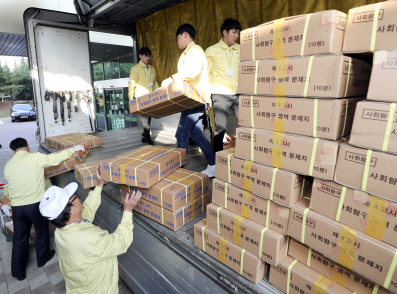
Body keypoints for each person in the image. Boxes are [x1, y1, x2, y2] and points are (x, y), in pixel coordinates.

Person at [39, 166, 142, 293]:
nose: (78, 197)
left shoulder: (62, 230)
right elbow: (121, 241)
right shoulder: (88, 240)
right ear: (71, 210)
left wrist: (99, 185)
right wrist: (128, 210)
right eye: (75, 196)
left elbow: (87, 210)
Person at [3, 137, 86, 280]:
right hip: (34, 205)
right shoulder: (35, 158)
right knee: (41, 231)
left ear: (13, 151)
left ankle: (18, 272)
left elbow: (8, 188)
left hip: (17, 208)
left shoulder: (8, 166)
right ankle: (42, 259)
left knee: (19, 239)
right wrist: (75, 148)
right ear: (28, 147)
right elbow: (56, 158)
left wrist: (6, 201)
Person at [161, 23, 216, 177]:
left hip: (195, 99)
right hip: (193, 99)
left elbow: (192, 72)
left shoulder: (195, 51)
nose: (177, 41)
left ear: (184, 35)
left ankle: (179, 172)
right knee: (196, 134)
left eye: (178, 38)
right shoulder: (187, 53)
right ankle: (213, 164)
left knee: (181, 135)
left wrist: (171, 79)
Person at [205, 18, 241, 153]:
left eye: (238, 33)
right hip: (220, 94)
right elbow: (205, 75)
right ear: (224, 32)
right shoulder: (211, 51)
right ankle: (215, 163)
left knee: (247, 124)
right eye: (234, 32)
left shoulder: (241, 50)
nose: (236, 36)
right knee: (220, 129)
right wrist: (207, 96)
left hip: (238, 93)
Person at [128, 47, 159, 145]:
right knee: (145, 120)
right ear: (140, 56)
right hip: (141, 98)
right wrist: (131, 98)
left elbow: (155, 83)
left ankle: (143, 137)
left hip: (151, 98)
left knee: (149, 118)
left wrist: (159, 92)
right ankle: (148, 141)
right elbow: (132, 84)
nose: (147, 58)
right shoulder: (135, 69)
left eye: (149, 56)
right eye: (145, 56)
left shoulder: (152, 68)